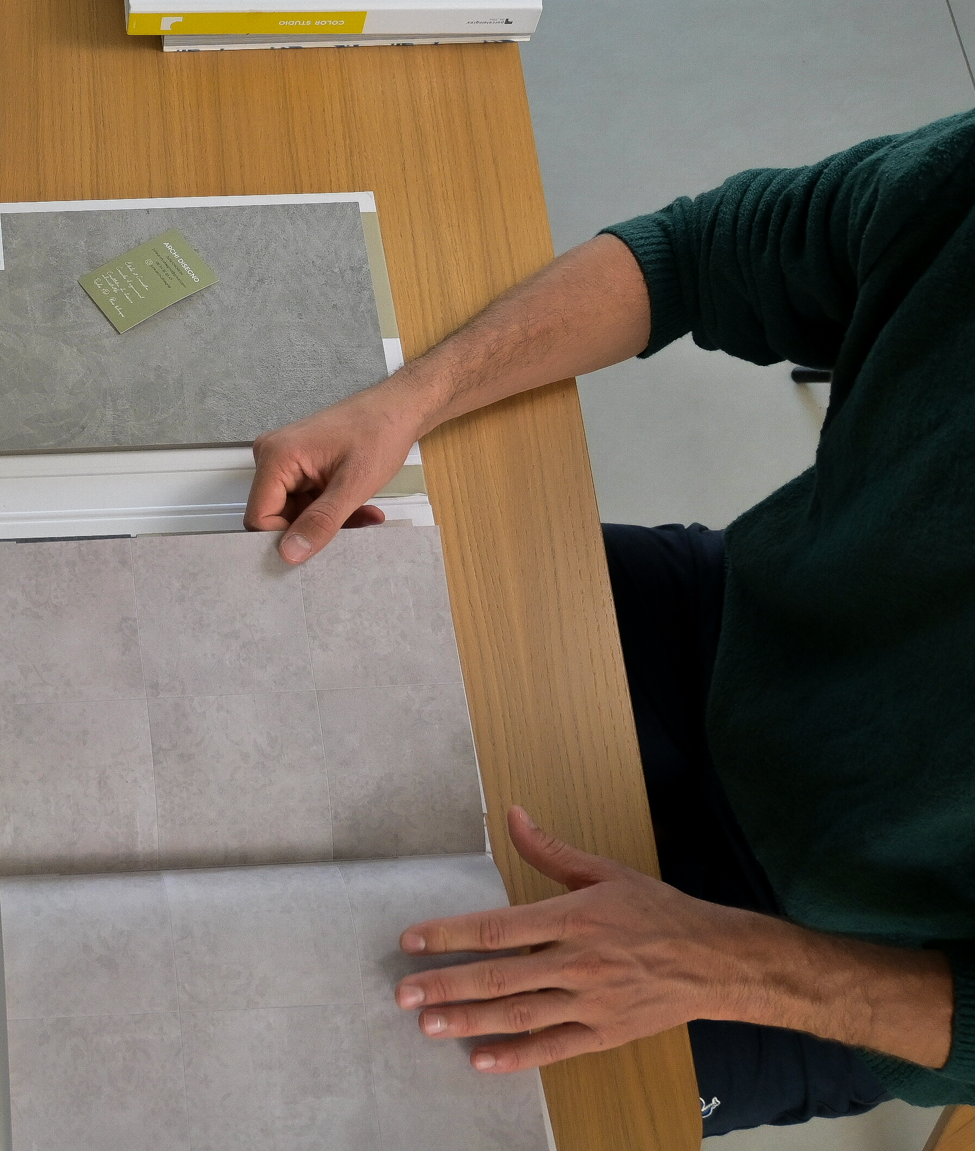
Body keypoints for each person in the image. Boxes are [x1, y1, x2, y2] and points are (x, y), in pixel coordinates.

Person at [245, 106, 975, 1135]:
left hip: (838, 947)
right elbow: (702, 253)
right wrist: (410, 398)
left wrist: (715, 962)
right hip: (726, 624)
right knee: (268, 654)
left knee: (340, 1082)